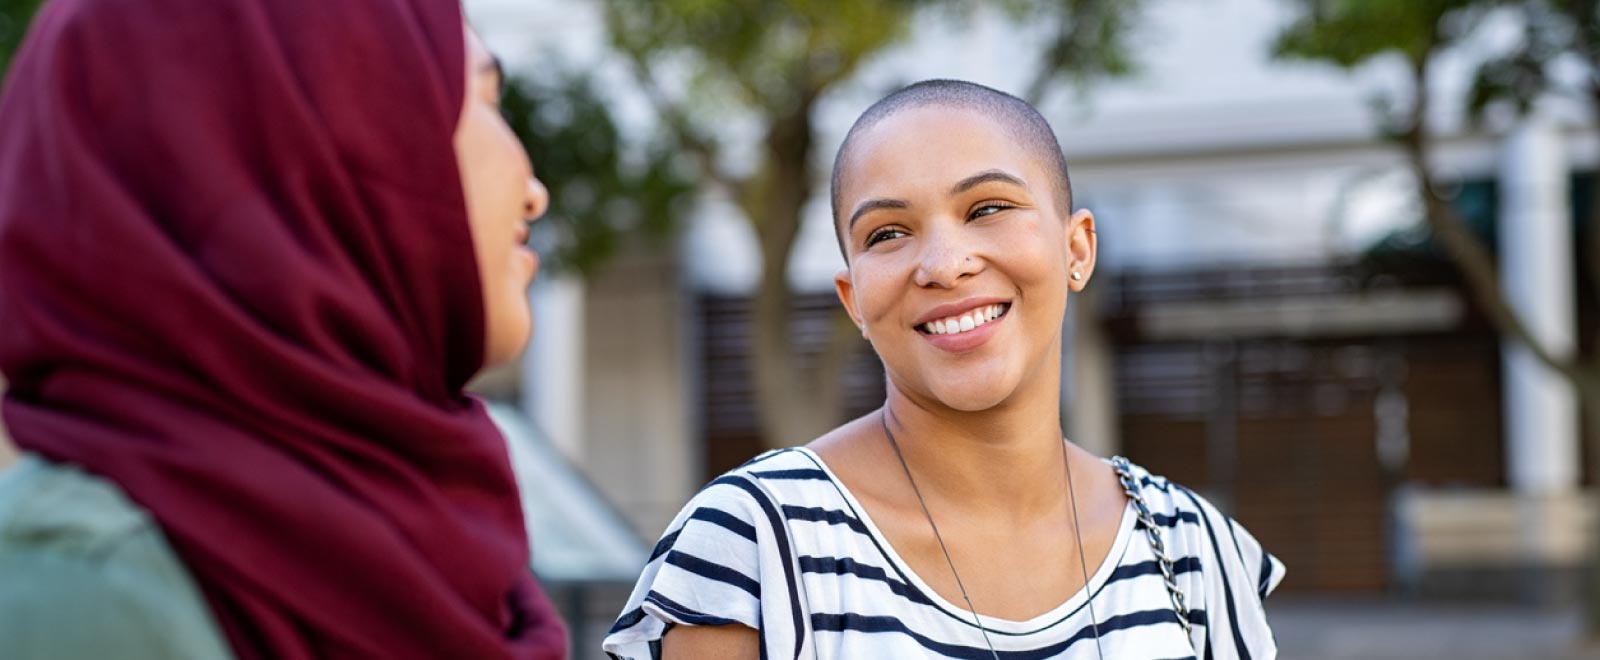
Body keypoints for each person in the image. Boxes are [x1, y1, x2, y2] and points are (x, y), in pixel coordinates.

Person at [603, 80, 1285, 660]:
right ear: (855, 301)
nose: (943, 264)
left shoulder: (1193, 549)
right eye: (887, 234)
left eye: (986, 208)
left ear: (1076, 249)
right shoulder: (752, 547)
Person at [0, 0, 567, 658]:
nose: (534, 191)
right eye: (486, 98)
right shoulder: (75, 598)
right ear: (331, 139)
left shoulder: (447, 553)